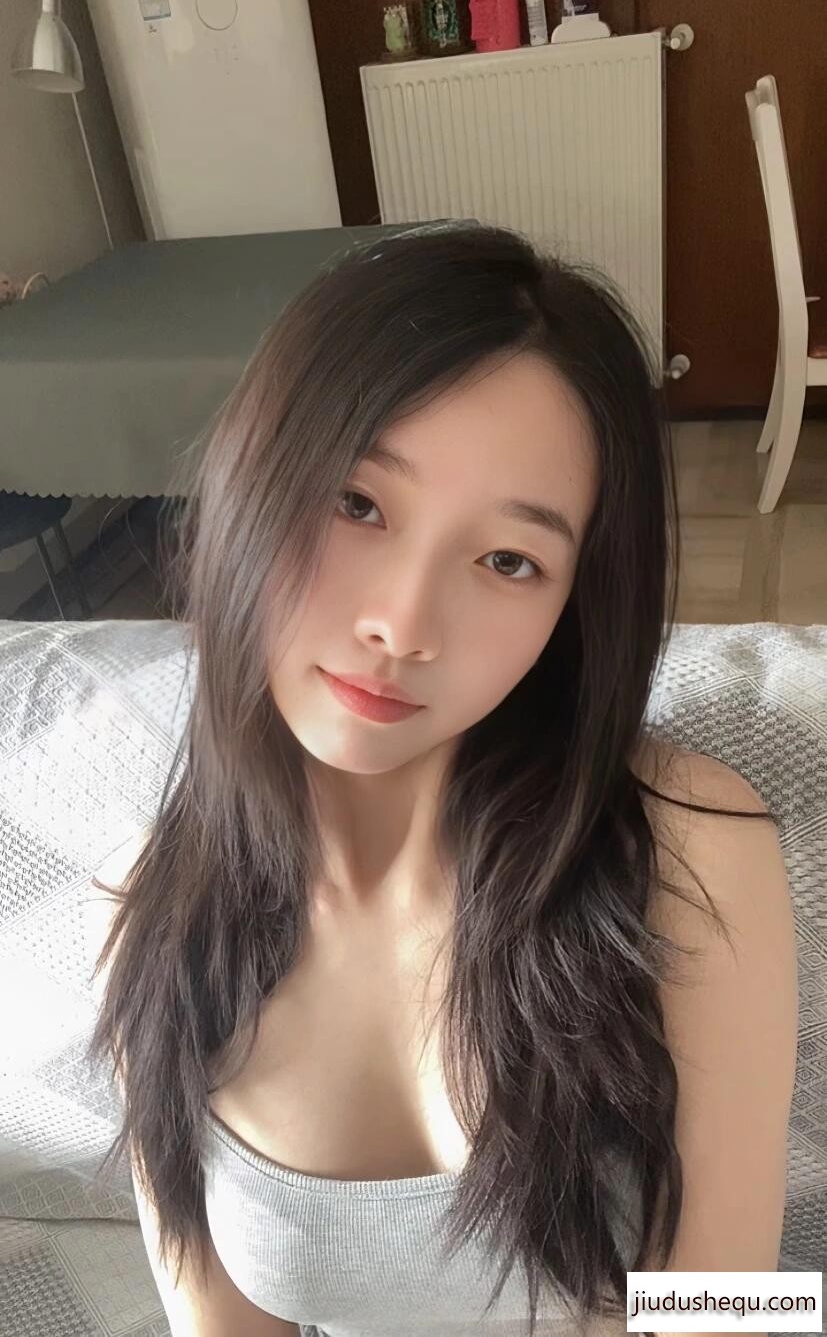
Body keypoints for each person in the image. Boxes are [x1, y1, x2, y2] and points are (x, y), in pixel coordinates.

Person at [86, 223, 798, 1337]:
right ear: (251, 478)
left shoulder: (691, 848)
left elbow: (735, 1306)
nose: (403, 624)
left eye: (508, 560)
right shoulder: (159, 905)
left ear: (574, 606)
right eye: (357, 503)